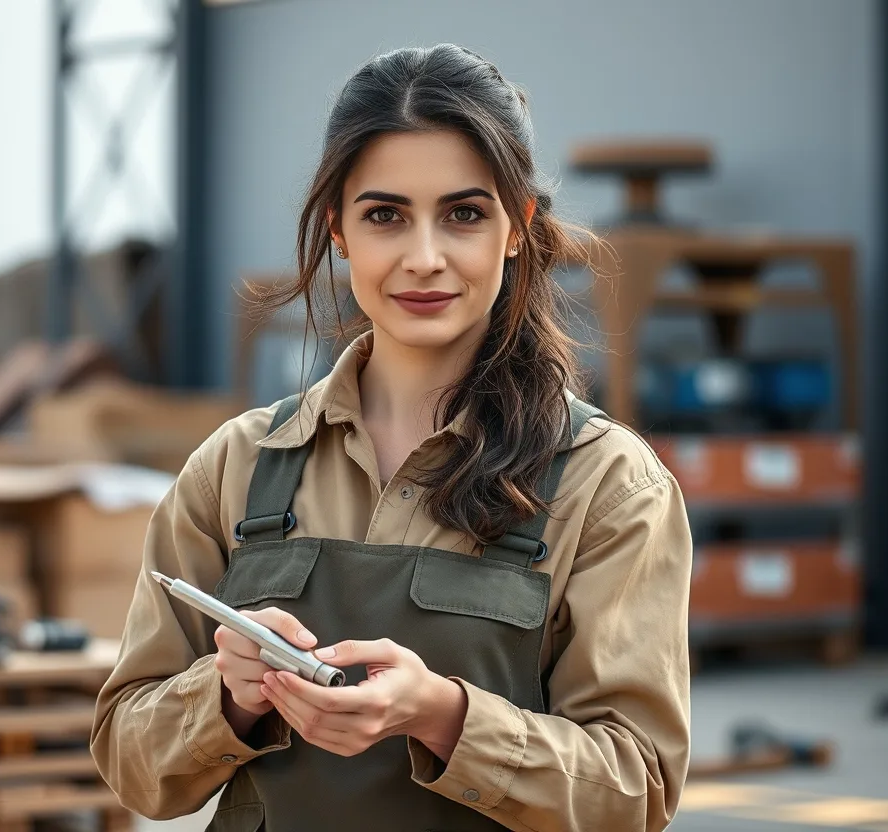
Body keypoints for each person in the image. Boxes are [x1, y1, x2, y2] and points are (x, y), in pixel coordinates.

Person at [91, 44, 693, 832]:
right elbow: (131, 765)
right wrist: (227, 697)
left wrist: (445, 718)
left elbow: (637, 789)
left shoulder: (607, 484)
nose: (424, 258)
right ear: (338, 229)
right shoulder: (238, 468)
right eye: (385, 215)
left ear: (518, 229)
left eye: (465, 214)